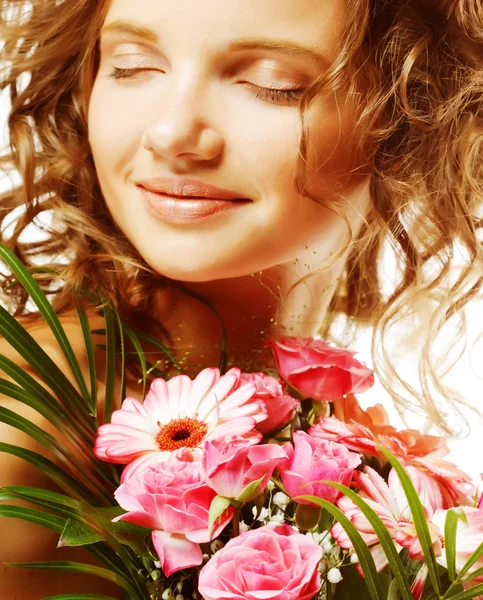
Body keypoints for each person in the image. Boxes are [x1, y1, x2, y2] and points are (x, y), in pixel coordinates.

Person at [0, 0, 481, 597]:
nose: (172, 133)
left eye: (269, 84)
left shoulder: (333, 435)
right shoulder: (29, 416)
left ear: (418, 121)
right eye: (131, 65)